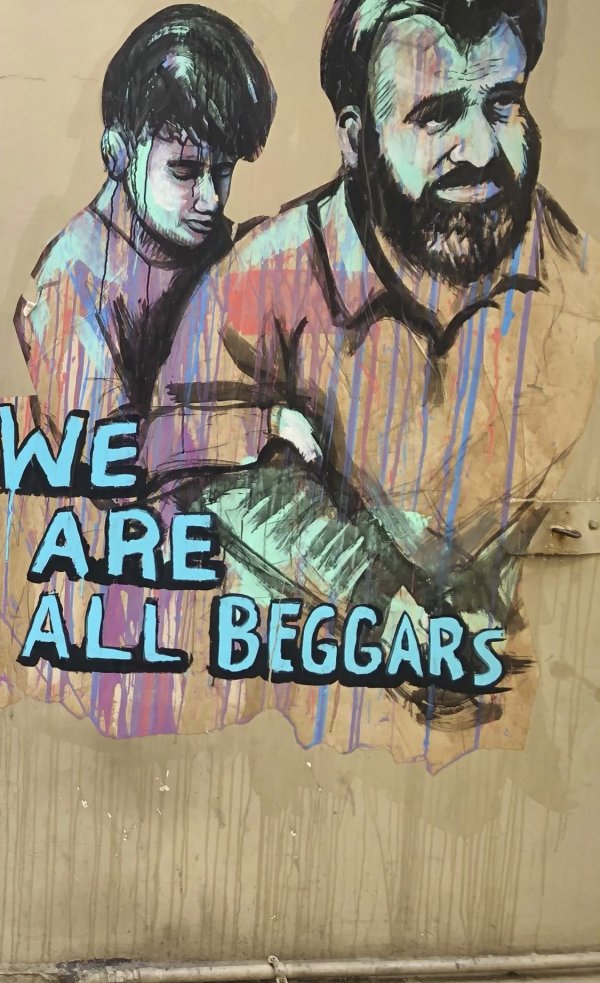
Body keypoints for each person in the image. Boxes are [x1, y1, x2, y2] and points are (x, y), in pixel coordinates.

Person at [138, 0, 599, 745]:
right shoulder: (262, 285)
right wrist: (371, 593)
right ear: (355, 139)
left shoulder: (576, 276)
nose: (480, 148)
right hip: (315, 754)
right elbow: (186, 466)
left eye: (504, 104)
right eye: (437, 114)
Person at [0, 4, 276, 730]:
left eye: (223, 174)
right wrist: (254, 429)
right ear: (118, 151)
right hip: (126, 619)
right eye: (185, 171)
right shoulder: (69, 286)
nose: (210, 199)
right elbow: (106, 456)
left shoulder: (217, 247)